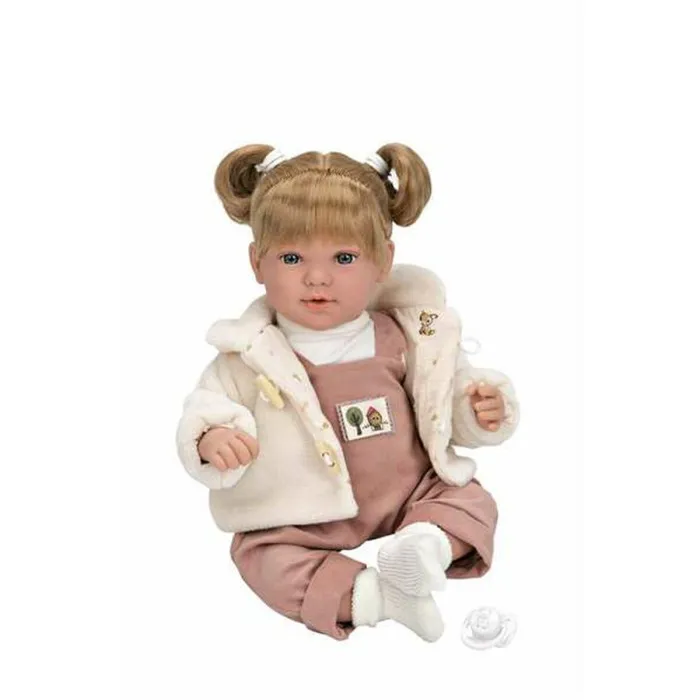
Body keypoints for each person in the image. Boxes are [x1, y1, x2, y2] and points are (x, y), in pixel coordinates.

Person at [175, 143, 519, 642]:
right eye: (292, 257)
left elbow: (440, 399)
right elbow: (206, 410)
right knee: (261, 558)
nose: (317, 277)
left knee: (471, 501)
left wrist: (475, 407)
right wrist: (211, 441)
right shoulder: (245, 356)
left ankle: (423, 546)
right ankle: (379, 596)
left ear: (383, 261)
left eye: (344, 257)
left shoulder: (410, 335)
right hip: (300, 513)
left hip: (409, 494)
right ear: (257, 262)